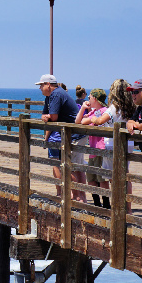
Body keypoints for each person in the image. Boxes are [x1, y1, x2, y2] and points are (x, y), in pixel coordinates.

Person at [82, 79, 136, 212]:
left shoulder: (115, 107)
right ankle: (127, 208)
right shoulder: (132, 106)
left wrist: (93, 119)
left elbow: (101, 120)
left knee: (114, 177)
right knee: (126, 175)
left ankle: (118, 206)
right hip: (128, 144)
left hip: (113, 144)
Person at [37, 74, 87, 202]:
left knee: (70, 167)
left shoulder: (56, 94)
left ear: (48, 84)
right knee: (74, 166)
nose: (40, 88)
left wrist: (48, 117)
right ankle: (79, 197)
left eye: (41, 85)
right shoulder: (50, 96)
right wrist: (46, 116)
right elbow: (45, 114)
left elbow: (53, 117)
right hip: (70, 135)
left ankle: (77, 197)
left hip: (75, 135)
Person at [76, 88, 109, 208]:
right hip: (93, 150)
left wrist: (89, 119)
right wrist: (83, 108)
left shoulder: (104, 111)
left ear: (95, 98)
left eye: (89, 97)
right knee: (91, 178)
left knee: (102, 179)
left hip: (101, 149)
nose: (88, 99)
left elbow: (85, 121)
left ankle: (106, 204)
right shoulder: (94, 111)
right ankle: (96, 203)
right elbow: (78, 121)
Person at [126, 79, 142, 155]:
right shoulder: (141, 107)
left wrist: (136, 125)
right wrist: (130, 123)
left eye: (136, 92)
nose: (133, 95)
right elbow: (130, 121)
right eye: (132, 92)